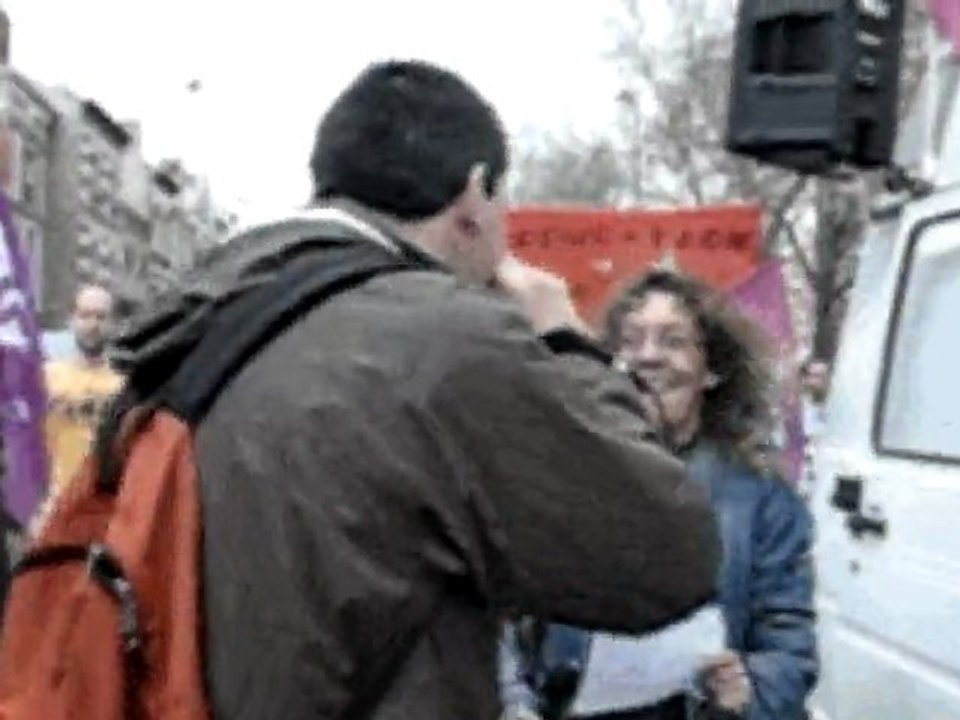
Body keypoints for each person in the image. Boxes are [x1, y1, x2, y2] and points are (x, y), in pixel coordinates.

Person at [104, 61, 721, 720]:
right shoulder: (449, 341)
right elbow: (667, 554)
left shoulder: (202, 316)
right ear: (474, 196)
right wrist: (566, 340)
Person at [504, 269, 817, 720]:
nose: (648, 357)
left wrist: (748, 690)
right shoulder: (565, 475)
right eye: (630, 341)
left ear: (712, 371)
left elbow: (789, 647)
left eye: (673, 341)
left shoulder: (760, 497)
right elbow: (507, 617)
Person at [44, 284, 123, 496]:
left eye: (101, 317)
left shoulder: (123, 388)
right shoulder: (44, 379)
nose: (93, 325)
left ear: (114, 324)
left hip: (103, 503)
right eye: (85, 315)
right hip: (55, 501)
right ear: (71, 320)